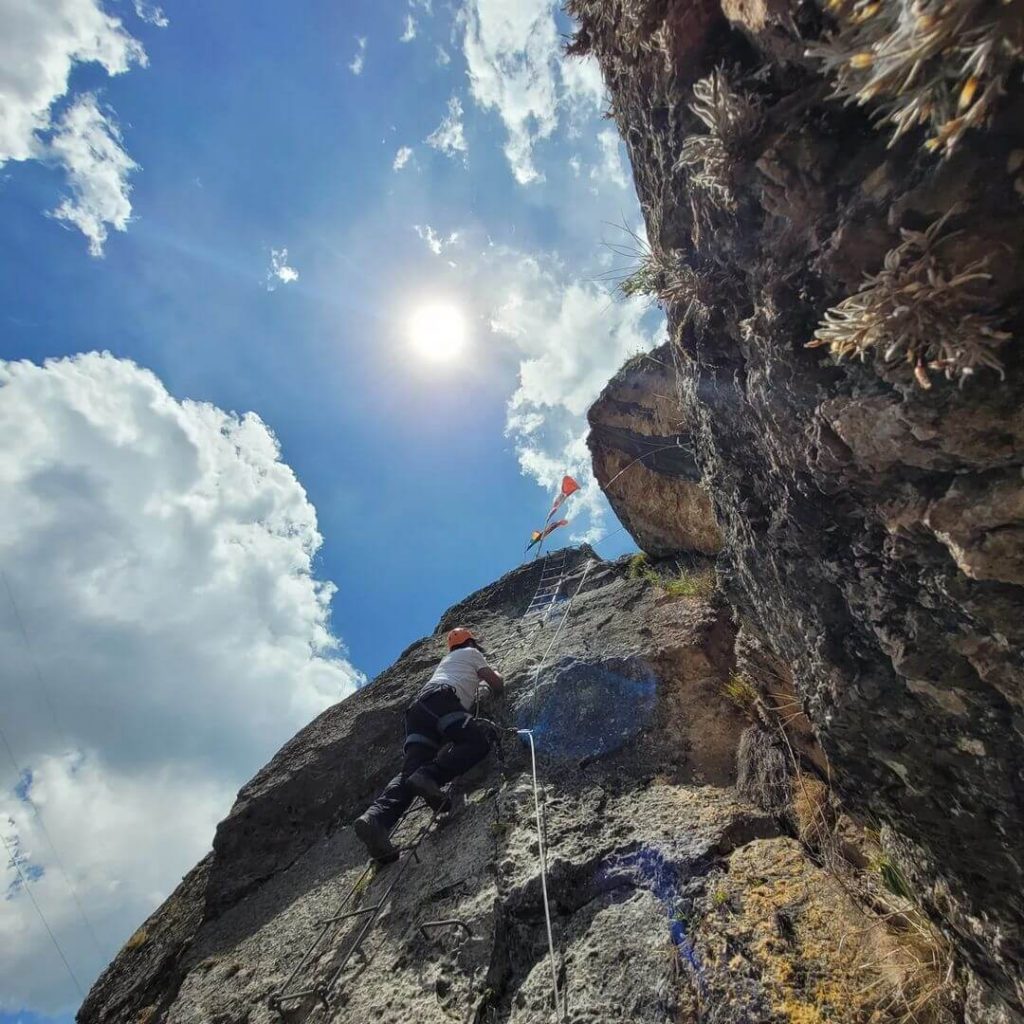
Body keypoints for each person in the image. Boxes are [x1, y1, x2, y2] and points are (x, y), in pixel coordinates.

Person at [353, 626, 504, 863]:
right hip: (442, 702)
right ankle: (430, 775)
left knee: (410, 773)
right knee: (477, 742)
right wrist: (497, 675)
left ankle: (376, 819)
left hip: (418, 711)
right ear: (471, 643)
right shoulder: (472, 653)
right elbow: (496, 684)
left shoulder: (447, 661)